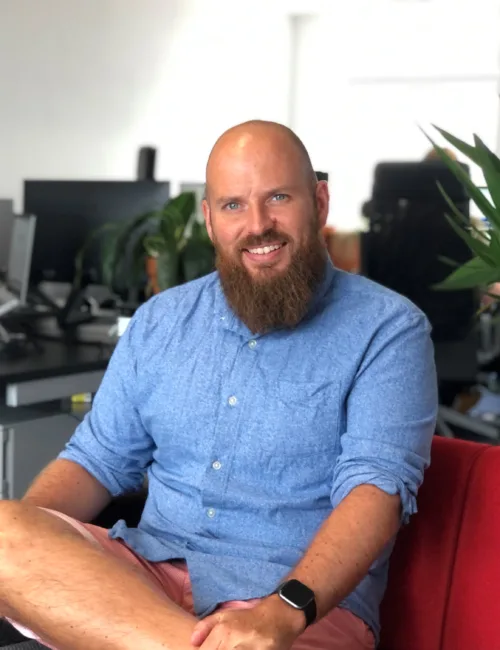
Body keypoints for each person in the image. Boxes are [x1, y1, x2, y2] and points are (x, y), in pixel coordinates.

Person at [0, 121, 437, 650]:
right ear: (209, 219)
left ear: (319, 201)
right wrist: (29, 548)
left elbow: (375, 494)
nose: (258, 225)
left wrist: (282, 612)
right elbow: (96, 459)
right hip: (141, 581)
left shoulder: (389, 330)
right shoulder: (161, 320)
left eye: (278, 197)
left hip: (289, 607)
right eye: (233, 205)